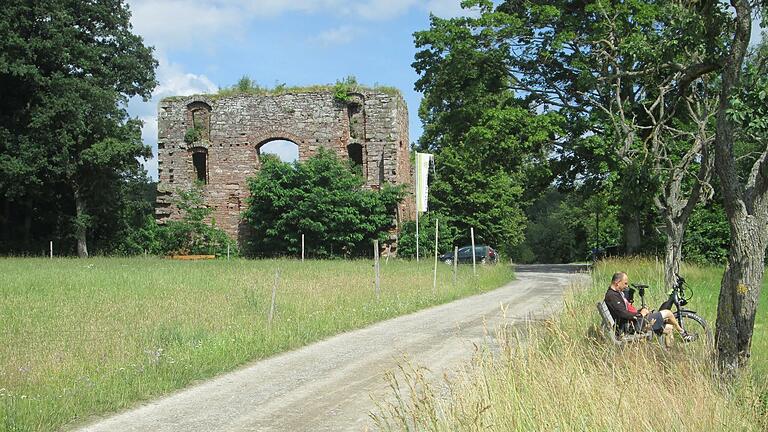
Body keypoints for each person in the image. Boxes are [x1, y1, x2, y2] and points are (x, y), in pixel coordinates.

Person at [604, 272, 694, 347]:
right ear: (617, 283)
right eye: (625, 283)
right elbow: (623, 314)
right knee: (668, 313)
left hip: (635, 321)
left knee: (669, 328)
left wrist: (640, 311)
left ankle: (668, 354)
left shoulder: (616, 293)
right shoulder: (612, 296)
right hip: (633, 325)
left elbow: (624, 311)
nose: (627, 286)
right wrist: (640, 314)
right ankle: (683, 334)